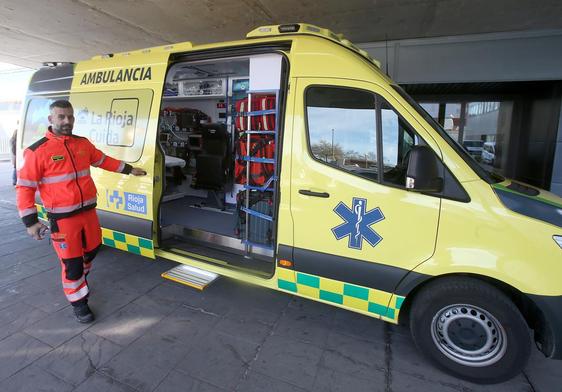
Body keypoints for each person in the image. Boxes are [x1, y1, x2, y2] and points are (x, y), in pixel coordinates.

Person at [16, 100, 146, 323]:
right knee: (72, 265)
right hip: (63, 220)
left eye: (70, 117)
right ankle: (79, 303)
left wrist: (128, 169)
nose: (67, 121)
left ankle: (80, 278)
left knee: (92, 250)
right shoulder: (37, 151)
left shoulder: (82, 144)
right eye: (61, 117)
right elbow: (25, 187)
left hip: (88, 214)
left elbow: (102, 160)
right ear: (51, 119)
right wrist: (30, 222)